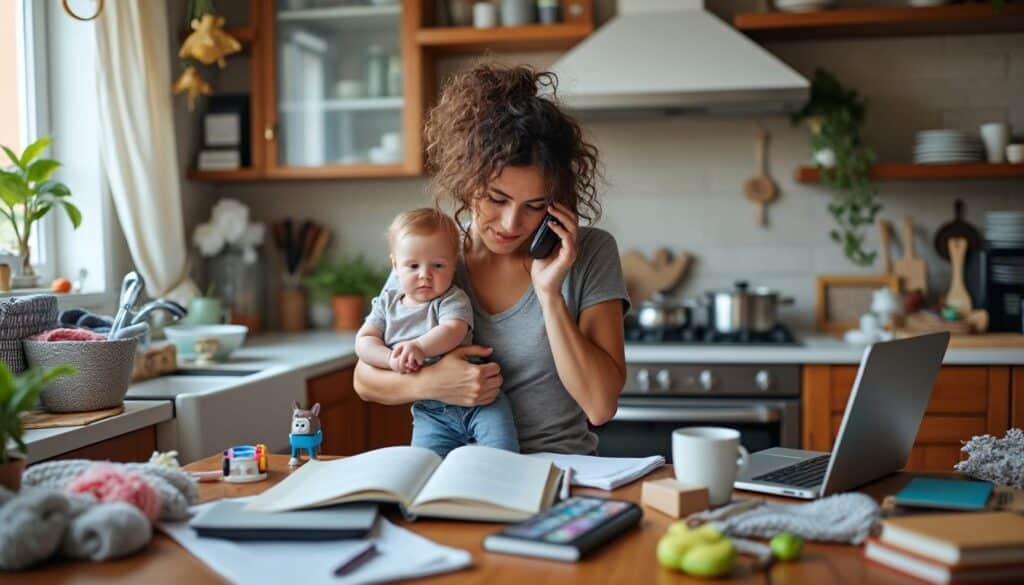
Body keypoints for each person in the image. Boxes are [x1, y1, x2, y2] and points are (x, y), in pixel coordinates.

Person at [354, 63, 629, 455]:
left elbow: (600, 407)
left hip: (556, 468)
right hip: (453, 469)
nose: (511, 223)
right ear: (467, 182)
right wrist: (433, 383)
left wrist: (549, 294)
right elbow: (364, 379)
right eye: (497, 199)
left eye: (534, 206)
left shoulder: (590, 253)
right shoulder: (435, 253)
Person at [355, 208, 518, 457]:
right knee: (424, 464)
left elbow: (453, 329)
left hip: (481, 403)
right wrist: (390, 359)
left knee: (503, 458)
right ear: (395, 265)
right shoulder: (387, 303)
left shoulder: (451, 298)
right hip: (431, 413)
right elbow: (365, 340)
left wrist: (419, 347)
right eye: (413, 266)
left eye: (438, 265)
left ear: (454, 265)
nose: (425, 275)